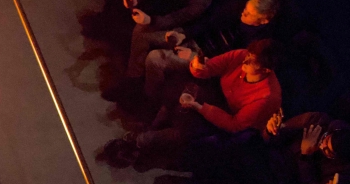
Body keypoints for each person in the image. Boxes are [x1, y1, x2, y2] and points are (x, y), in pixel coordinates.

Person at [105, 40, 282, 165]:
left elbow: (235, 125)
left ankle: (141, 141)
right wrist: (198, 66)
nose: (245, 59)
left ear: (265, 70)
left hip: (230, 118)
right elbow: (210, 69)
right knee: (176, 93)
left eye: (251, 61)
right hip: (217, 94)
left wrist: (199, 106)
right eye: (248, 54)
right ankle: (152, 126)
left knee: (186, 130)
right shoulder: (241, 55)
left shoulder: (266, 96)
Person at [102, 0, 213, 102]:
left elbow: (177, 18)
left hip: (182, 27)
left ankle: (133, 81)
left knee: (142, 33)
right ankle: (133, 78)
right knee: (139, 28)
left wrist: (151, 20)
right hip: (163, 9)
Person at [142, 0, 279, 102]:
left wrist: (195, 57)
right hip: (194, 40)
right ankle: (134, 76)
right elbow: (207, 23)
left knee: (154, 58)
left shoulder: (258, 43)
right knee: (145, 36)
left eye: (249, 14)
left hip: (204, 60)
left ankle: (151, 98)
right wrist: (183, 35)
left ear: (263, 20)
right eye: (245, 8)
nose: (243, 12)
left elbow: (226, 64)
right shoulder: (236, 7)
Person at [264, 111, 350, 184]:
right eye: (327, 138)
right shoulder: (318, 121)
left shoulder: (340, 172)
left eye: (328, 150)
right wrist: (272, 129)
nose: (322, 145)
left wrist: (305, 156)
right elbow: (278, 132)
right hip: (268, 156)